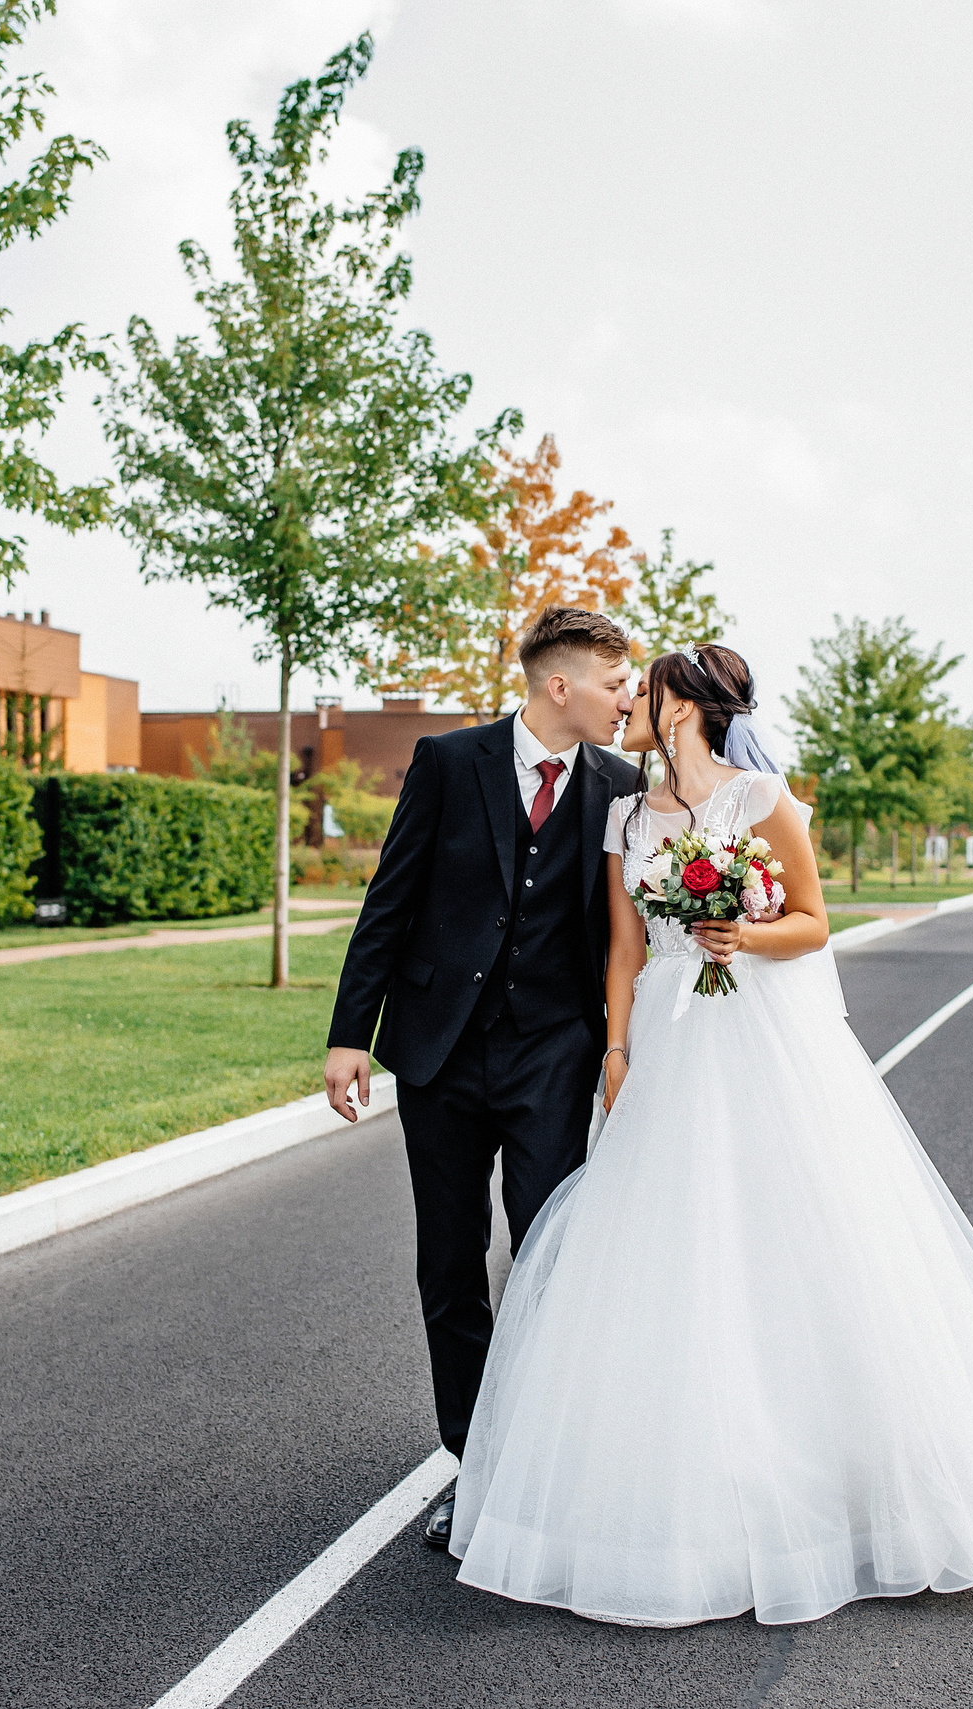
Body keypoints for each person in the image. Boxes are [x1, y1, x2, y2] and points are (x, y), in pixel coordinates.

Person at [445, 643, 973, 1627]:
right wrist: (616, 1050)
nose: (637, 700)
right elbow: (620, 947)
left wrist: (743, 931)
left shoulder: (760, 801)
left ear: (688, 706)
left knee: (787, 1218)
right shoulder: (627, 813)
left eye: (650, 688)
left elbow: (813, 921)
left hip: (753, 1027)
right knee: (661, 1233)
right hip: (666, 1026)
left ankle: (834, 1453)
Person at [324, 606, 644, 1549]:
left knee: (548, 1259)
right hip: (441, 1054)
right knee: (451, 1263)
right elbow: (391, 899)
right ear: (561, 685)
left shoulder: (622, 789)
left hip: (553, 1053)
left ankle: (543, 1455)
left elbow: (628, 939)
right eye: (613, 682)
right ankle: (474, 1462)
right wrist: (351, 1033)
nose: (626, 697)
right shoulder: (447, 762)